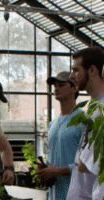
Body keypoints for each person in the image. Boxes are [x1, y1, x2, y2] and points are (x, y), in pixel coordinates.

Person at [35, 71, 83, 200]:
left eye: (61, 85)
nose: (56, 88)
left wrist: (58, 171)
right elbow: (53, 158)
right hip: (55, 193)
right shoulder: (53, 124)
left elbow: (91, 161)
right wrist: (45, 169)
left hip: (77, 193)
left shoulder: (84, 120)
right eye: (55, 85)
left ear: (74, 88)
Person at [67, 46, 104, 200]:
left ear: (92, 70)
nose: (71, 75)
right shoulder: (93, 107)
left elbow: (85, 165)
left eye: (76, 70)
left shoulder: (100, 111)